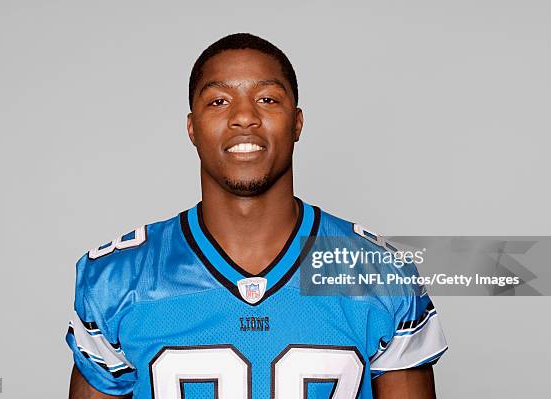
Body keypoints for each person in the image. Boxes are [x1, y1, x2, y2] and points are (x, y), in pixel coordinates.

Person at [66, 33, 448, 399]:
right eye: (218, 101)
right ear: (191, 128)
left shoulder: (377, 272)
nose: (244, 116)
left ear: (297, 123)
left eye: (267, 99)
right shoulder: (118, 279)